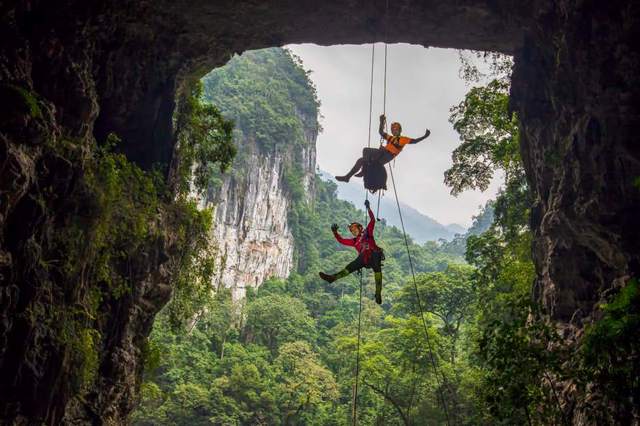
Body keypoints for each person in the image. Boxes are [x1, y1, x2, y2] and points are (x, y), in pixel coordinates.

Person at [319, 199, 385, 304]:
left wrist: (368, 208)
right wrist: (335, 232)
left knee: (377, 272)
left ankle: (378, 293)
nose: (353, 232)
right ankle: (333, 277)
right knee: (351, 266)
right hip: (364, 259)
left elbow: (372, 220)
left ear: (360, 228)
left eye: (355, 230)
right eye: (352, 231)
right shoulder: (354, 241)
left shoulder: (367, 232)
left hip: (374, 254)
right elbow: (341, 240)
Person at [335, 114, 431, 182]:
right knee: (362, 157)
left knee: (366, 152)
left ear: (400, 130)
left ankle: (364, 170)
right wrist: (381, 122)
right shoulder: (391, 137)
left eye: (396, 129)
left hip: (387, 155)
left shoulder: (403, 139)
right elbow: (381, 132)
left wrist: (425, 136)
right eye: (393, 129)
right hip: (383, 153)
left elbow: (415, 141)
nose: (394, 131)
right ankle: (348, 177)